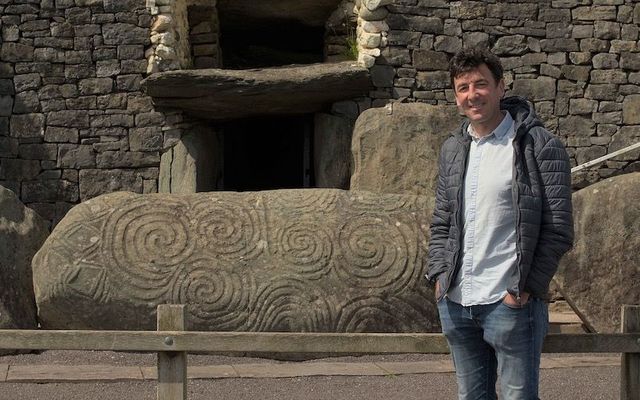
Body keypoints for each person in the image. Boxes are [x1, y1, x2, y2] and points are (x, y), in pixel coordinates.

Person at [426, 46, 574, 400]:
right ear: (455, 95)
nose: (472, 95)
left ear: (501, 87)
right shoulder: (453, 148)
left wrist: (523, 288)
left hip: (510, 302)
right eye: (463, 87)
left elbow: (558, 229)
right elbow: (442, 220)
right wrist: (438, 279)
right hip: (458, 300)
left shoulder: (538, 145)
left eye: (481, 84)